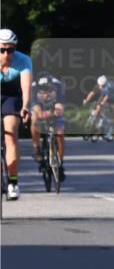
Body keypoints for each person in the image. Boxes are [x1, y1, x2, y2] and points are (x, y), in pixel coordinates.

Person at [0, 28, 32, 200]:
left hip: (12, 96)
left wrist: (26, 106)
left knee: (11, 134)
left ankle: (13, 182)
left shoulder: (23, 60)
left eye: (10, 49)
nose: (6, 54)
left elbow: (26, 88)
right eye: (2, 49)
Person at [30, 72, 67, 182]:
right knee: (34, 119)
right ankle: (36, 148)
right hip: (40, 107)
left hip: (53, 106)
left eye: (49, 90)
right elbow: (35, 108)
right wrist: (41, 114)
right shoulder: (33, 87)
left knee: (60, 134)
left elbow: (60, 107)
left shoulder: (59, 87)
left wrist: (56, 112)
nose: (46, 93)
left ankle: (60, 164)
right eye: (43, 90)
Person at [82, 75, 114, 139]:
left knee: (112, 114)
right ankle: (96, 120)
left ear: (105, 84)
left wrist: (103, 103)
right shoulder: (99, 85)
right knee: (98, 106)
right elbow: (92, 93)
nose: (100, 87)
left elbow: (107, 97)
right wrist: (86, 100)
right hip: (105, 96)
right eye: (99, 85)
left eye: (102, 86)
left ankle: (110, 131)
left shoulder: (109, 87)